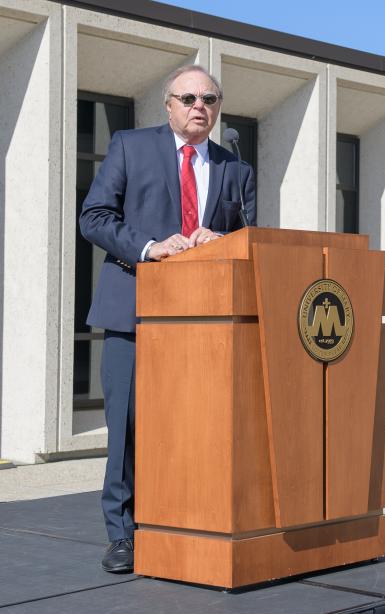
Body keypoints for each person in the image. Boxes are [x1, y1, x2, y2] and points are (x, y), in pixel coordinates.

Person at [79, 64, 256, 573]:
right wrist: (150, 246)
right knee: (129, 427)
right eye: (189, 97)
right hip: (134, 310)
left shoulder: (233, 166)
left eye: (210, 98)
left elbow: (250, 235)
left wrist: (221, 241)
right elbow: (94, 216)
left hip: (206, 322)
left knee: (198, 426)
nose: (200, 106)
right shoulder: (131, 147)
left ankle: (189, 520)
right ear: (169, 104)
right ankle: (123, 535)